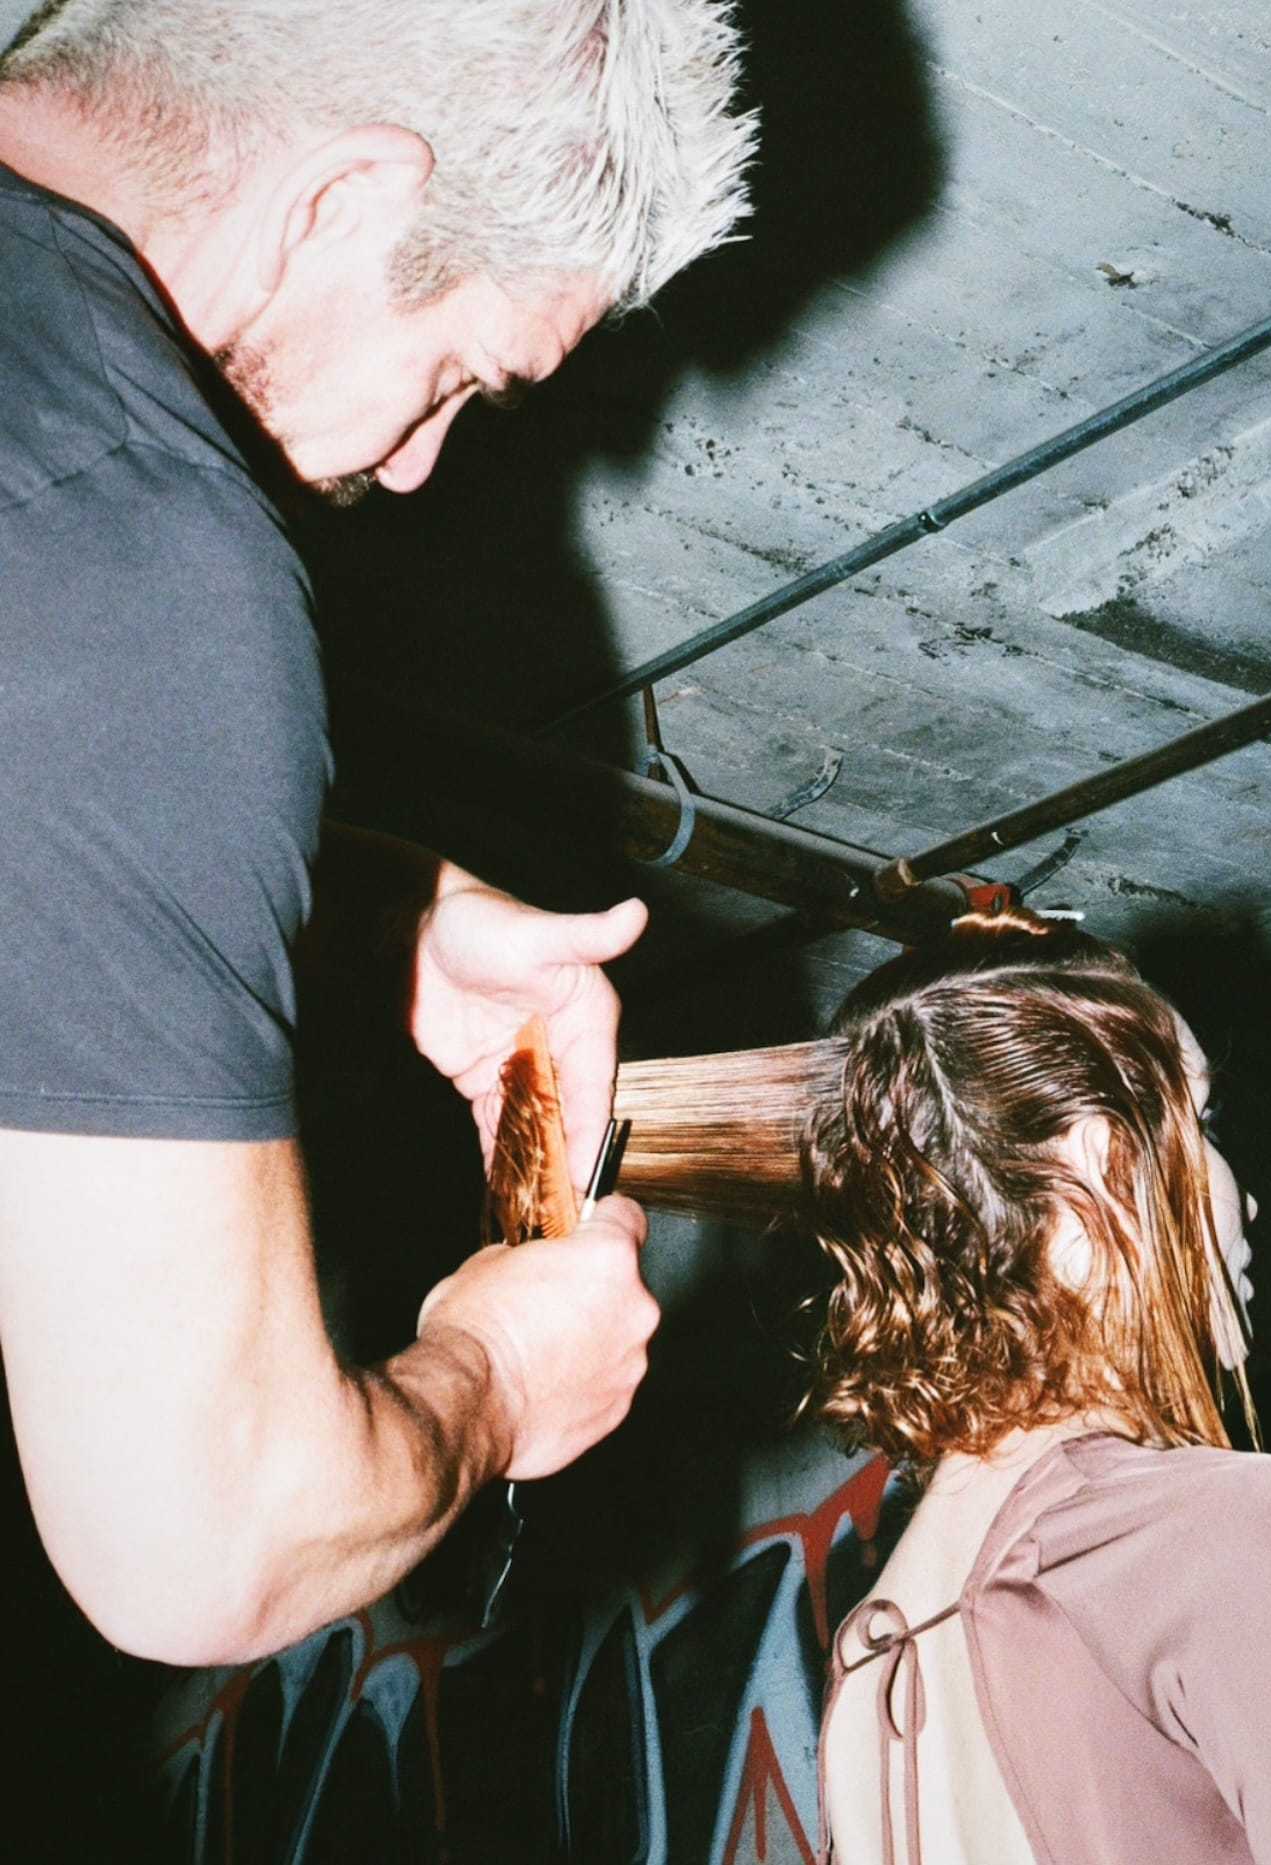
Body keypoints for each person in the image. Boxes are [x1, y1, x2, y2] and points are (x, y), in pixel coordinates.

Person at [0, 0, 752, 1734]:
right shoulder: (149, 547)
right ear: (341, 201)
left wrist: (377, 923)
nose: (415, 466)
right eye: (461, 376)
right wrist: (496, 1382)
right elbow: (207, 1546)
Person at [598, 909, 1271, 1862]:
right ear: (1090, 1172)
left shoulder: (873, 1655)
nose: (1245, 1191)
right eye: (1198, 1119)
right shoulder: (1248, 1532)